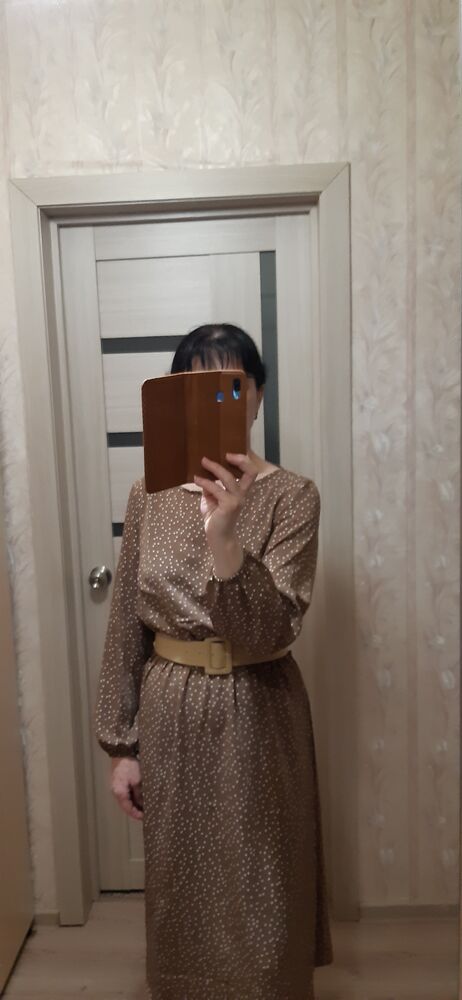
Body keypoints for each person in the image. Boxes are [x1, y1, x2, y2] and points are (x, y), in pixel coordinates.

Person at [93, 323, 334, 1000]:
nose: (219, 402)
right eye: (198, 386)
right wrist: (121, 746)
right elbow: (126, 621)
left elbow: (273, 626)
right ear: (175, 399)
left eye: (232, 385)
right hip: (170, 707)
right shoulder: (148, 493)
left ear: (257, 397)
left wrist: (225, 534)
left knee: (263, 870)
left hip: (260, 704)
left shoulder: (293, 496)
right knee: (181, 871)